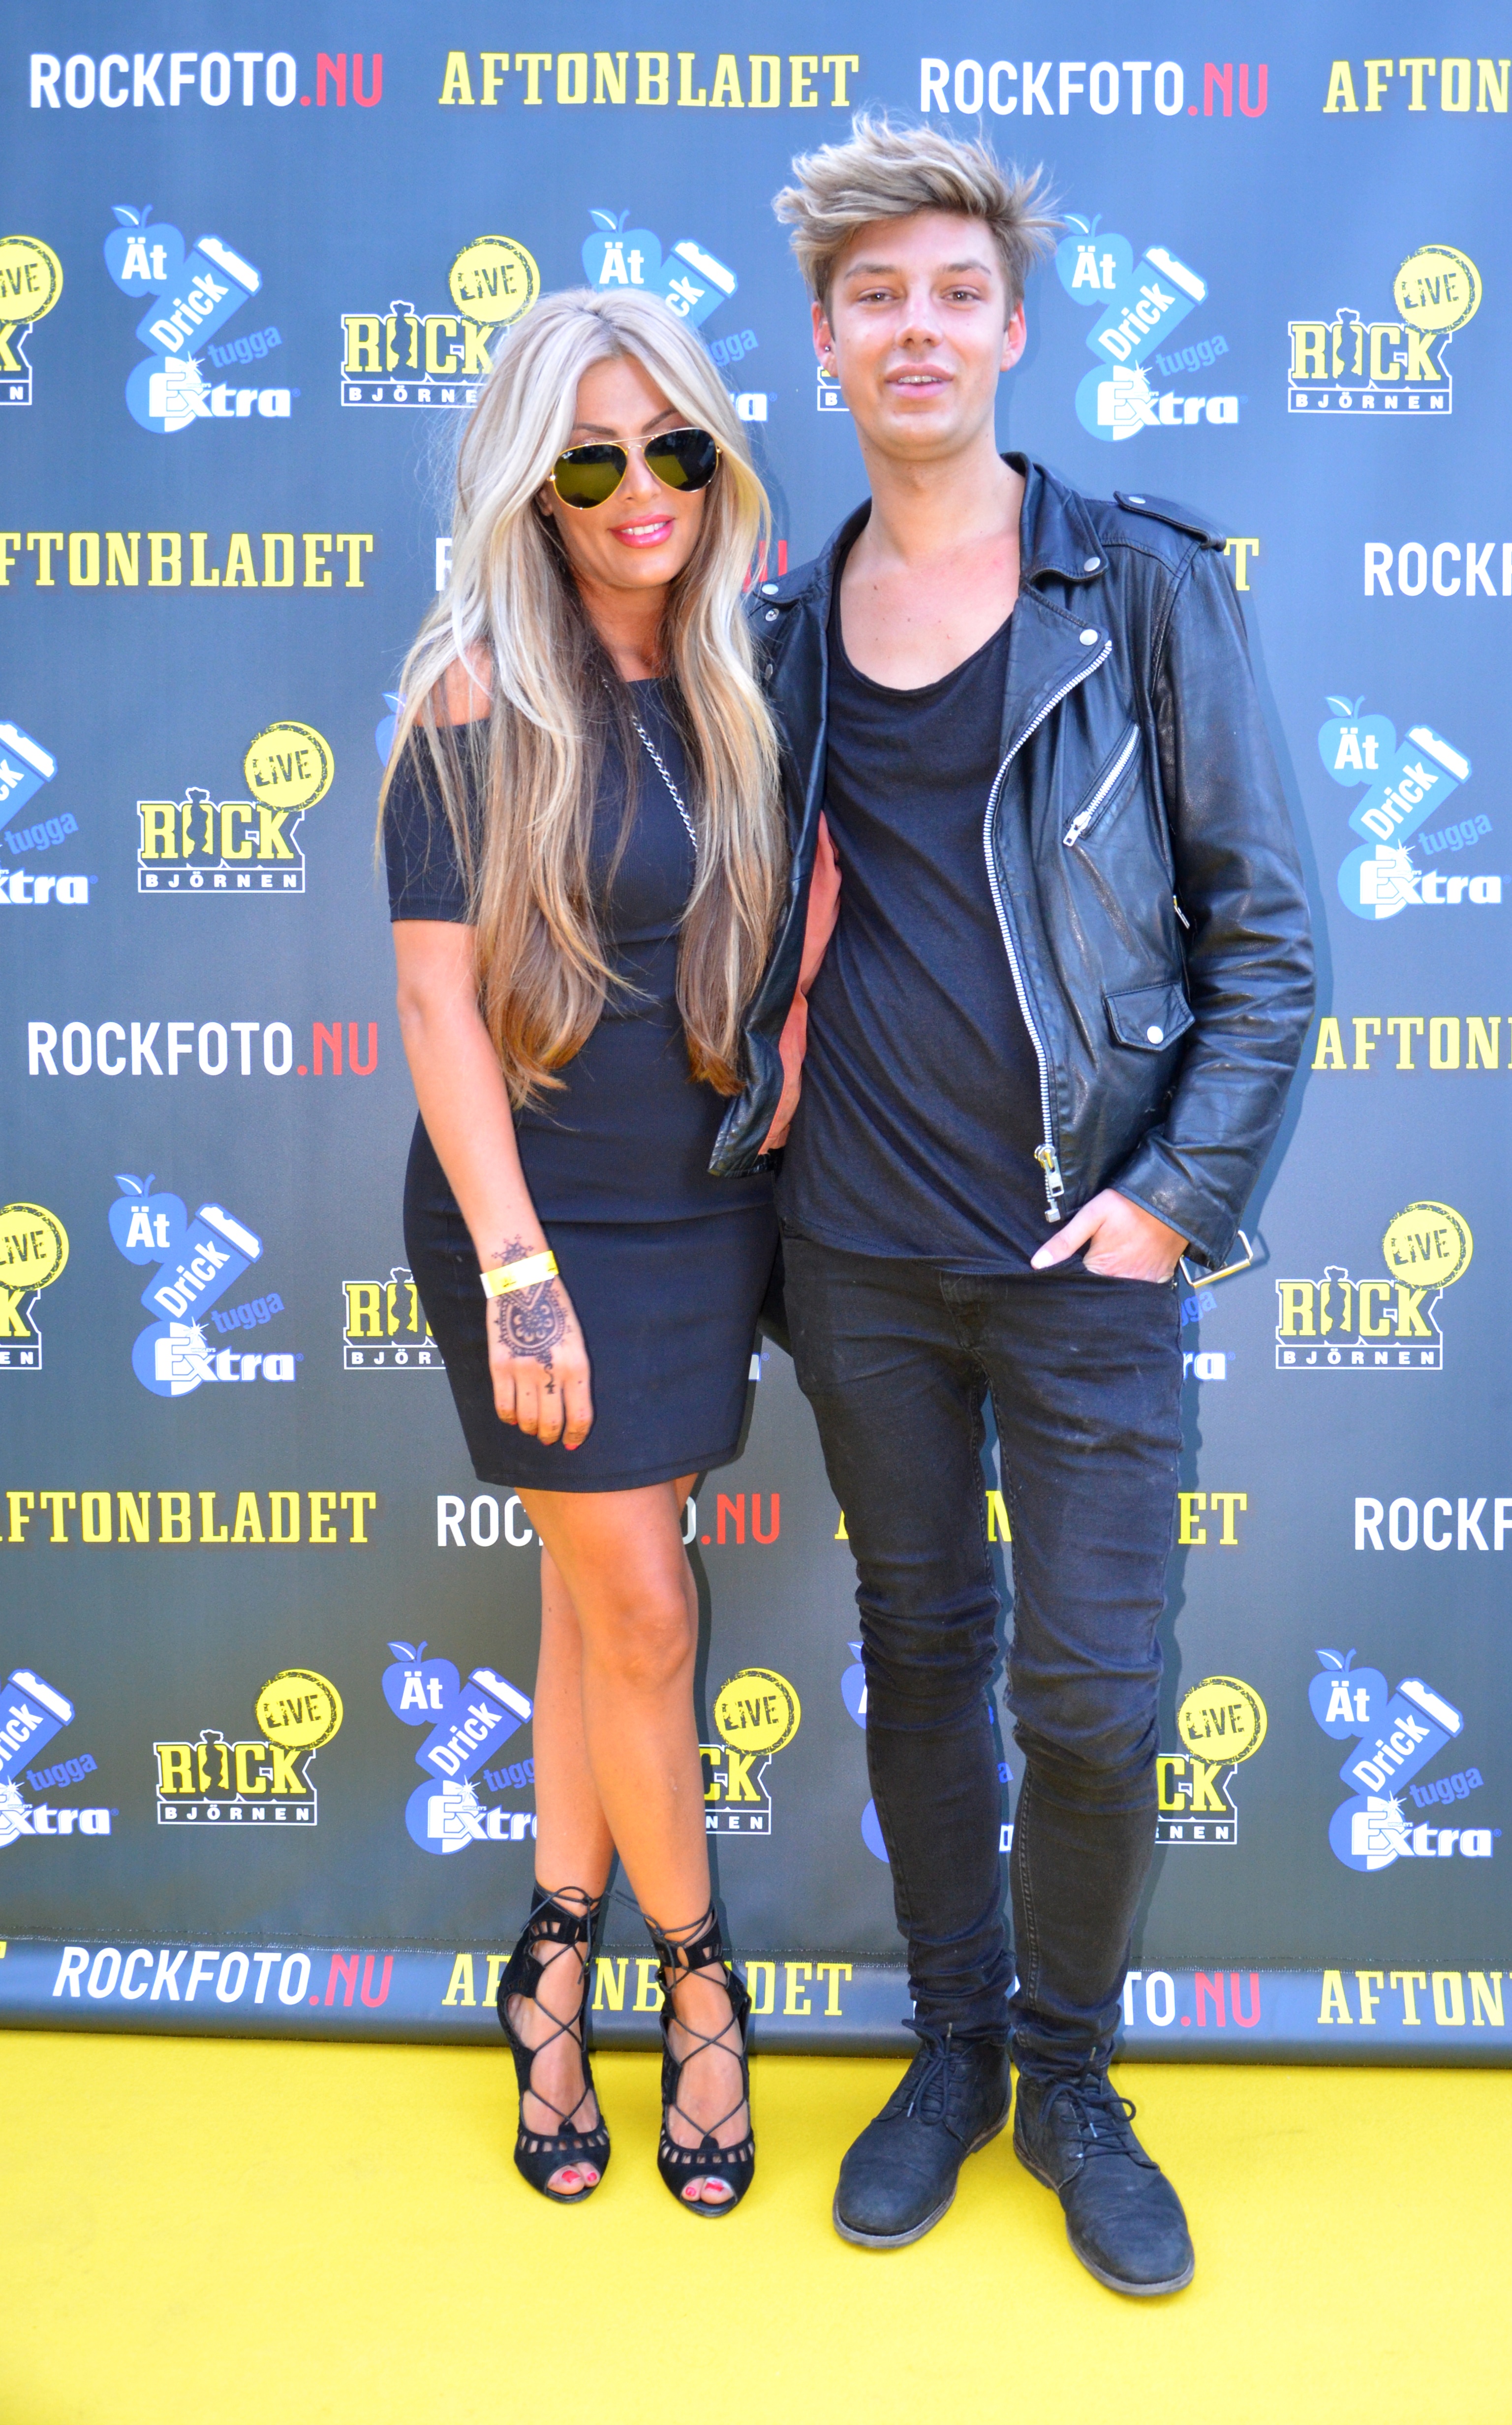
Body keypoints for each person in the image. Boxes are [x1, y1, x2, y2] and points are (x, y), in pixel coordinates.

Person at [707, 119, 1315, 2292]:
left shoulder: (1139, 589)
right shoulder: (777, 627)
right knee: (921, 1651)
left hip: (1087, 1258)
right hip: (857, 1259)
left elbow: (1269, 937)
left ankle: (1071, 2071)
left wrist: (1173, 1200)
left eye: (954, 294)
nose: (918, 330)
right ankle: (952, 2047)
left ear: (1014, 330)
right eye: (875, 297)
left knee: (1091, 1692)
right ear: (826, 340)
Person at [383, 286, 788, 2216]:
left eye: (675, 448)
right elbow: (436, 1008)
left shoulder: (740, 678)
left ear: (715, 461)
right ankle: (699, 1988)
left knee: (589, 1606)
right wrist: (518, 1271)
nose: (643, 489)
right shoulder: (477, 692)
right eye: (594, 458)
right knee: (644, 1615)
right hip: (530, 1226)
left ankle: (549, 1955)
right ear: (534, 486)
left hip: (703, 1214)